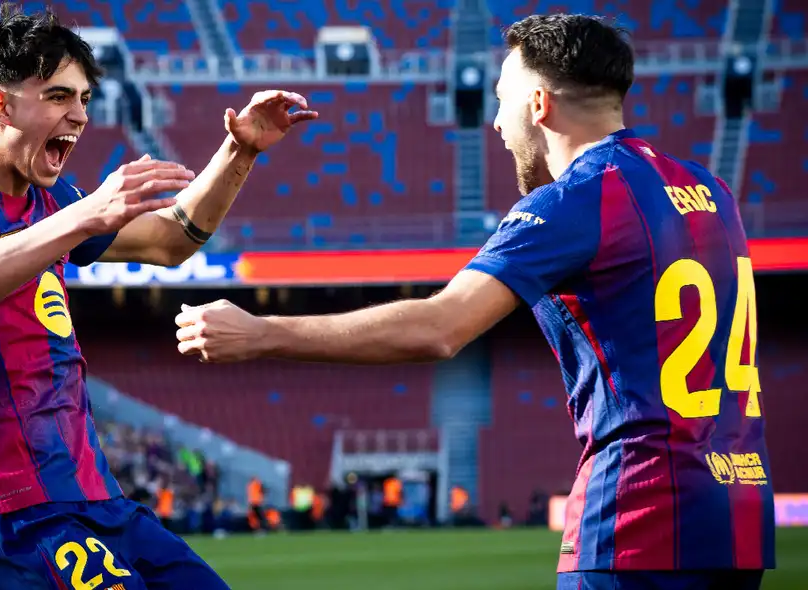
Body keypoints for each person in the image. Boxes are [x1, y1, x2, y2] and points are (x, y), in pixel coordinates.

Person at [175, 13, 774, 590]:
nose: (494, 123)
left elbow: (440, 327)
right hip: (738, 514)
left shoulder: (578, 198)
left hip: (641, 515)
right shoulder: (711, 188)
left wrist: (261, 333)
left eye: (500, 100)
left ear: (538, 105)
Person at [0, 5, 317, 589]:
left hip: (96, 499)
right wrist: (84, 215)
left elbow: (171, 240)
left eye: (85, 99)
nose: (81, 116)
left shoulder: (52, 195)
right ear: (0, 104)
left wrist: (239, 152)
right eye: (61, 96)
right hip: (14, 511)